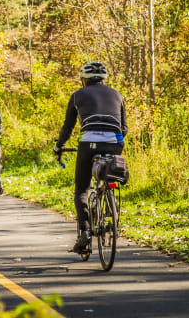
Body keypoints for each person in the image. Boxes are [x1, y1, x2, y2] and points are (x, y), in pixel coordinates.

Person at [53, 62, 127, 254]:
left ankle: (85, 231)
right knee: (110, 174)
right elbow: (124, 128)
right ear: (104, 79)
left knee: (82, 188)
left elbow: (68, 127)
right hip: (114, 142)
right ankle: (110, 201)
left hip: (88, 142)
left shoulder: (78, 95)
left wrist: (59, 145)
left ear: (83, 80)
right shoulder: (116, 94)